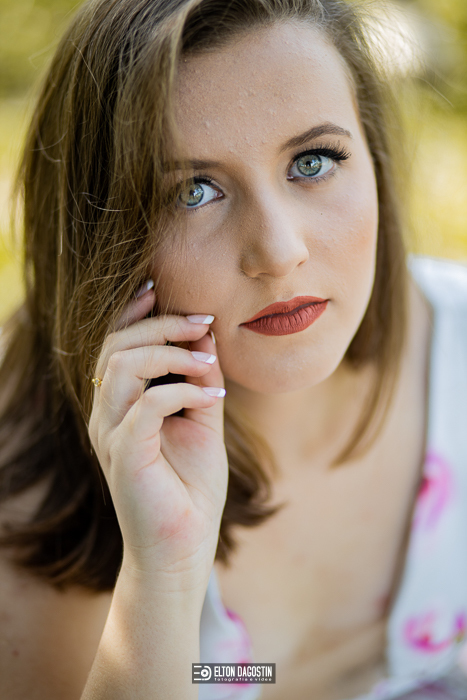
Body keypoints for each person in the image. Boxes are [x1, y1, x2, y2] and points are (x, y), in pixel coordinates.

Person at [1, 0, 467, 698]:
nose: (278, 252)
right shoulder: (26, 494)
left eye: (313, 161)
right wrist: (162, 575)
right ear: (103, 237)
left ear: (371, 157)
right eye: (193, 191)